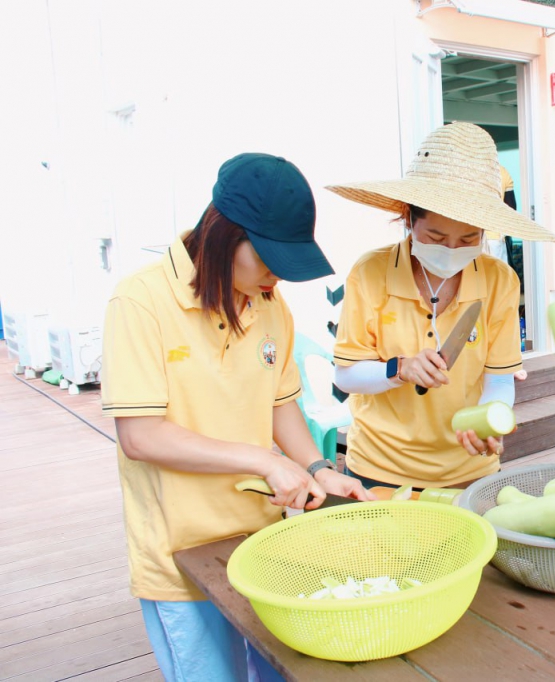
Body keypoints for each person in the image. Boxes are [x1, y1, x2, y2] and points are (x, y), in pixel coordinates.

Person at [101, 153, 372, 681]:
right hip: (182, 553)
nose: (277, 275)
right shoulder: (140, 301)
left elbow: (279, 403)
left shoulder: (271, 304)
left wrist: (317, 467)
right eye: (269, 256)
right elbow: (140, 436)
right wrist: (262, 462)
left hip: (264, 545)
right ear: (223, 233)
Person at [327, 122, 555, 490]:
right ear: (408, 218)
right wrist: (400, 369)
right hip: (379, 469)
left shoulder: (499, 280)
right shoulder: (371, 271)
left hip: (467, 470)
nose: (451, 250)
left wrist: (488, 417)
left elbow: (499, 380)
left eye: (469, 239)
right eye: (435, 236)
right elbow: (346, 376)